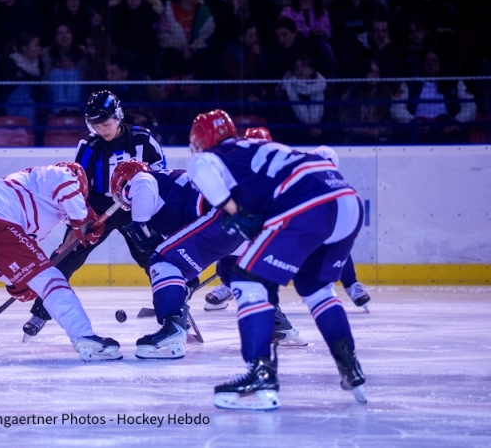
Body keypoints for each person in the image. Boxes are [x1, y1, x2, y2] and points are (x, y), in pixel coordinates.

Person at [187, 109, 367, 410]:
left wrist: (236, 213)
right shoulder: (264, 148)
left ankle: (260, 374)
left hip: (308, 206)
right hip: (347, 200)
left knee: (246, 279)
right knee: (316, 287)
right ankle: (350, 366)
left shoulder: (218, 154)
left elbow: (200, 167)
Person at [111, 160, 306, 358]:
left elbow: (142, 183)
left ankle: (173, 329)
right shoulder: (168, 189)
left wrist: (140, 224)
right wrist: (185, 280)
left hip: (223, 216)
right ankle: (275, 323)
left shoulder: (141, 181)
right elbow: (194, 244)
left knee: (164, 260)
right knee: (234, 274)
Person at [0, 163, 123, 361]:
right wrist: (84, 219)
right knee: (51, 279)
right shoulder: (59, 174)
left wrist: (18, 283)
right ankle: (84, 337)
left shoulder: (26, 201)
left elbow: (7, 255)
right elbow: (64, 183)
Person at [20, 90, 165, 340]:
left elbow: (161, 173)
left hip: (135, 209)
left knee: (151, 255)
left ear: (118, 117)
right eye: (96, 124)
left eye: (106, 123)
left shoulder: (143, 139)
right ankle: (40, 313)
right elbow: (76, 184)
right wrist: (79, 220)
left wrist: (141, 197)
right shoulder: (89, 146)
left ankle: (171, 309)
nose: (102, 129)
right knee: (67, 257)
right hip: (96, 209)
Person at [204, 126, 372, 311]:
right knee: (230, 232)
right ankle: (229, 283)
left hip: (289, 222)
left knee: (327, 238)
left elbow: (325, 154)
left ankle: (351, 284)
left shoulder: (286, 161)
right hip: (263, 224)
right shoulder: (236, 168)